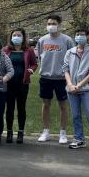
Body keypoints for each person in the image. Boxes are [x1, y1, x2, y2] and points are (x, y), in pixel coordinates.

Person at [63, 28, 89, 152]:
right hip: (71, 89)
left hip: (87, 89)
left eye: (82, 35)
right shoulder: (70, 52)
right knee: (76, 115)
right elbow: (65, 69)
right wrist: (70, 84)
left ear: (88, 36)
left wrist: (79, 85)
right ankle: (79, 139)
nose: (79, 37)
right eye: (77, 34)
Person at [36, 15, 74, 144]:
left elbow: (72, 60)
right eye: (49, 23)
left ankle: (63, 133)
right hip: (46, 77)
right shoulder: (42, 40)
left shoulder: (67, 40)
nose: (51, 25)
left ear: (59, 25)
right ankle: (46, 131)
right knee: (46, 105)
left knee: (63, 106)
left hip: (62, 78)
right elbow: (40, 58)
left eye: (53, 23)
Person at [3, 28, 38, 143]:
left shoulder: (28, 50)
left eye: (19, 35)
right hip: (9, 84)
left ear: (23, 37)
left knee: (21, 108)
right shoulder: (6, 50)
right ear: (11, 37)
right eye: (14, 35)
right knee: (10, 109)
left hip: (22, 84)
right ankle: (9, 132)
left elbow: (34, 64)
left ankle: (20, 133)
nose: (16, 37)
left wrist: (31, 70)